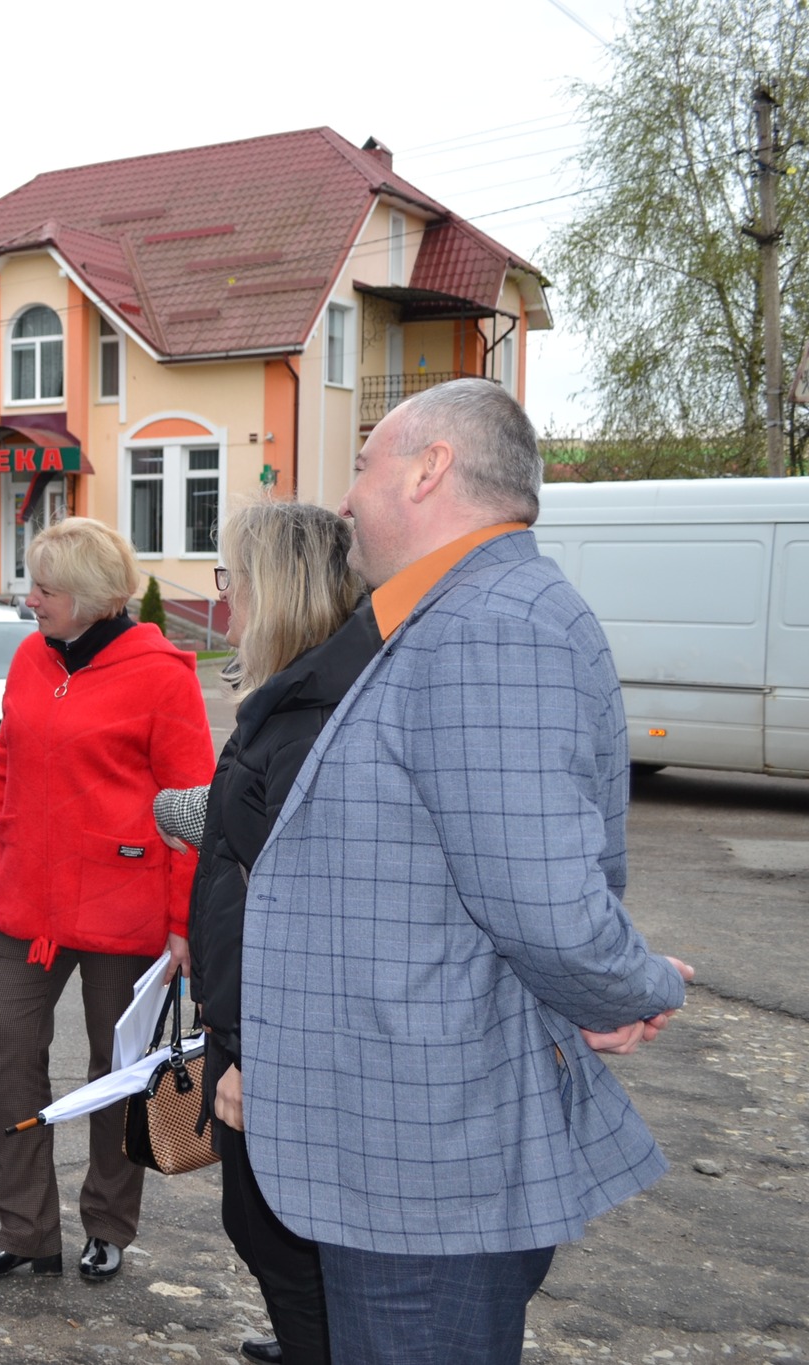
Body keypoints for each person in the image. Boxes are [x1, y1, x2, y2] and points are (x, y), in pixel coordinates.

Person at [242, 379, 694, 1364]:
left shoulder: (488, 625)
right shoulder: (458, 614)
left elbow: (543, 901)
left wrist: (631, 983)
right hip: (409, 1146)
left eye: (361, 466)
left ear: (428, 467)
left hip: (426, 1163)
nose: (346, 498)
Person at [0, 516, 214, 1283]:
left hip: (124, 908)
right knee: (6, 1046)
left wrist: (181, 923)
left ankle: (108, 1222)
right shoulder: (32, 657)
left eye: (45, 589)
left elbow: (191, 806)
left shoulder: (162, 673)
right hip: (30, 906)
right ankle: (27, 1230)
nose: (30, 600)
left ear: (96, 599)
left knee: (116, 1067)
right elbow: (7, 763)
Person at [153, 501, 377, 1365]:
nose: (225, 598)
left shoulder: (315, 717)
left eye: (232, 579)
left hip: (277, 1039)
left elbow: (311, 911)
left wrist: (252, 1055)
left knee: (276, 1230)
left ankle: (316, 1345)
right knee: (260, 1224)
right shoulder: (292, 700)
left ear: (276, 592)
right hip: (251, 1024)